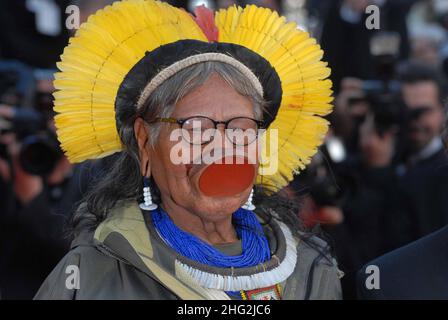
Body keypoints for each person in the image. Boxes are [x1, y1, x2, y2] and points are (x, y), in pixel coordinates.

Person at [34, 0, 341, 300]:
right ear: (144, 142)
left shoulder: (312, 266)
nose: (221, 147)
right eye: (195, 127)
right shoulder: (91, 276)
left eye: (240, 127)